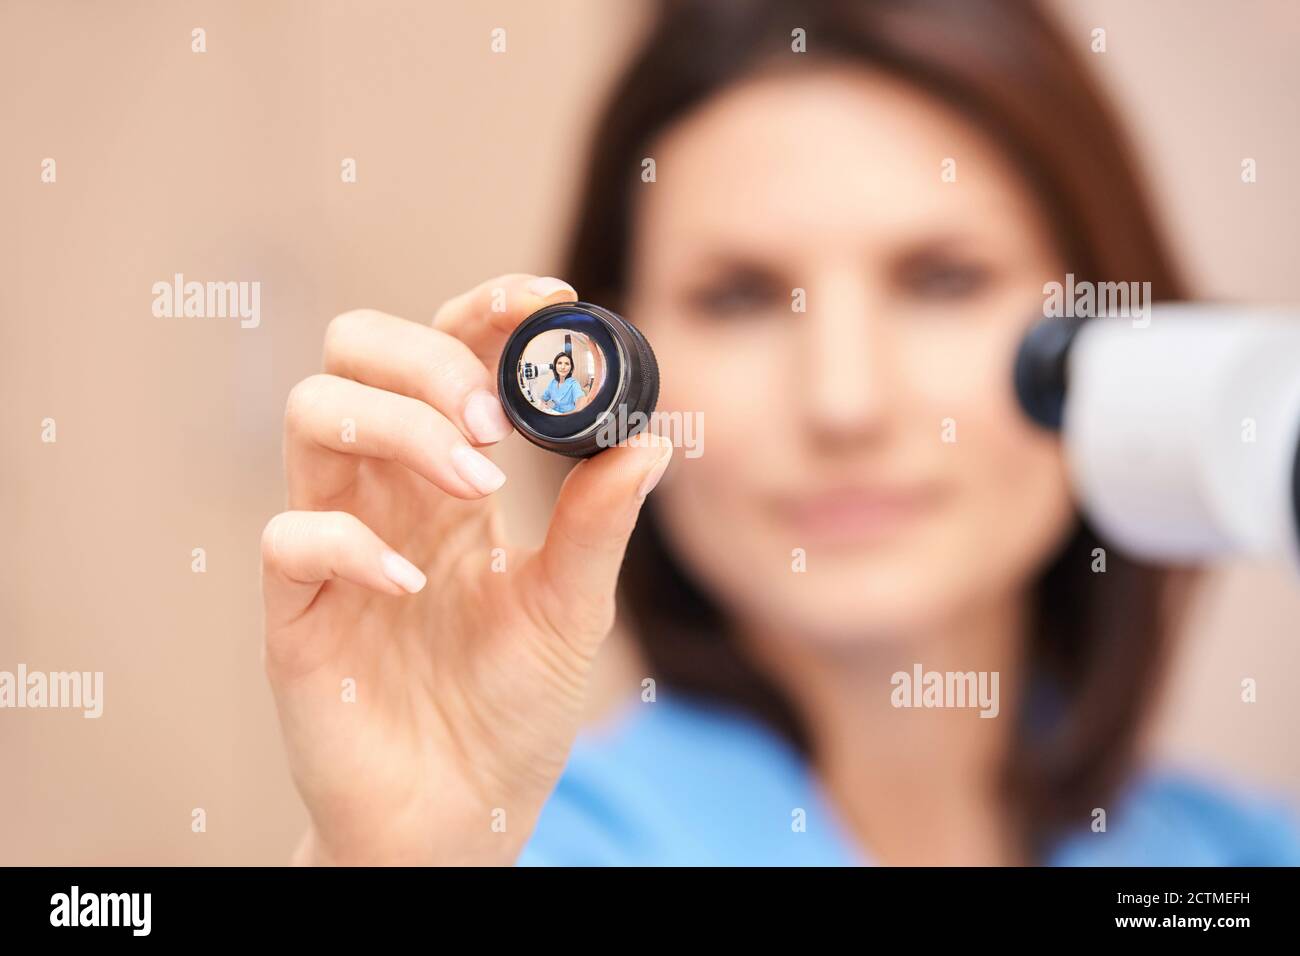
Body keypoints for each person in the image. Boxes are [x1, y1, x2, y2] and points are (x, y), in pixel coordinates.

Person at [259, 0, 1300, 865]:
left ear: (1113, 332)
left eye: (943, 279)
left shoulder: (1235, 856)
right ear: (621, 365)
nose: (843, 400)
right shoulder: (507, 844)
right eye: (741, 297)